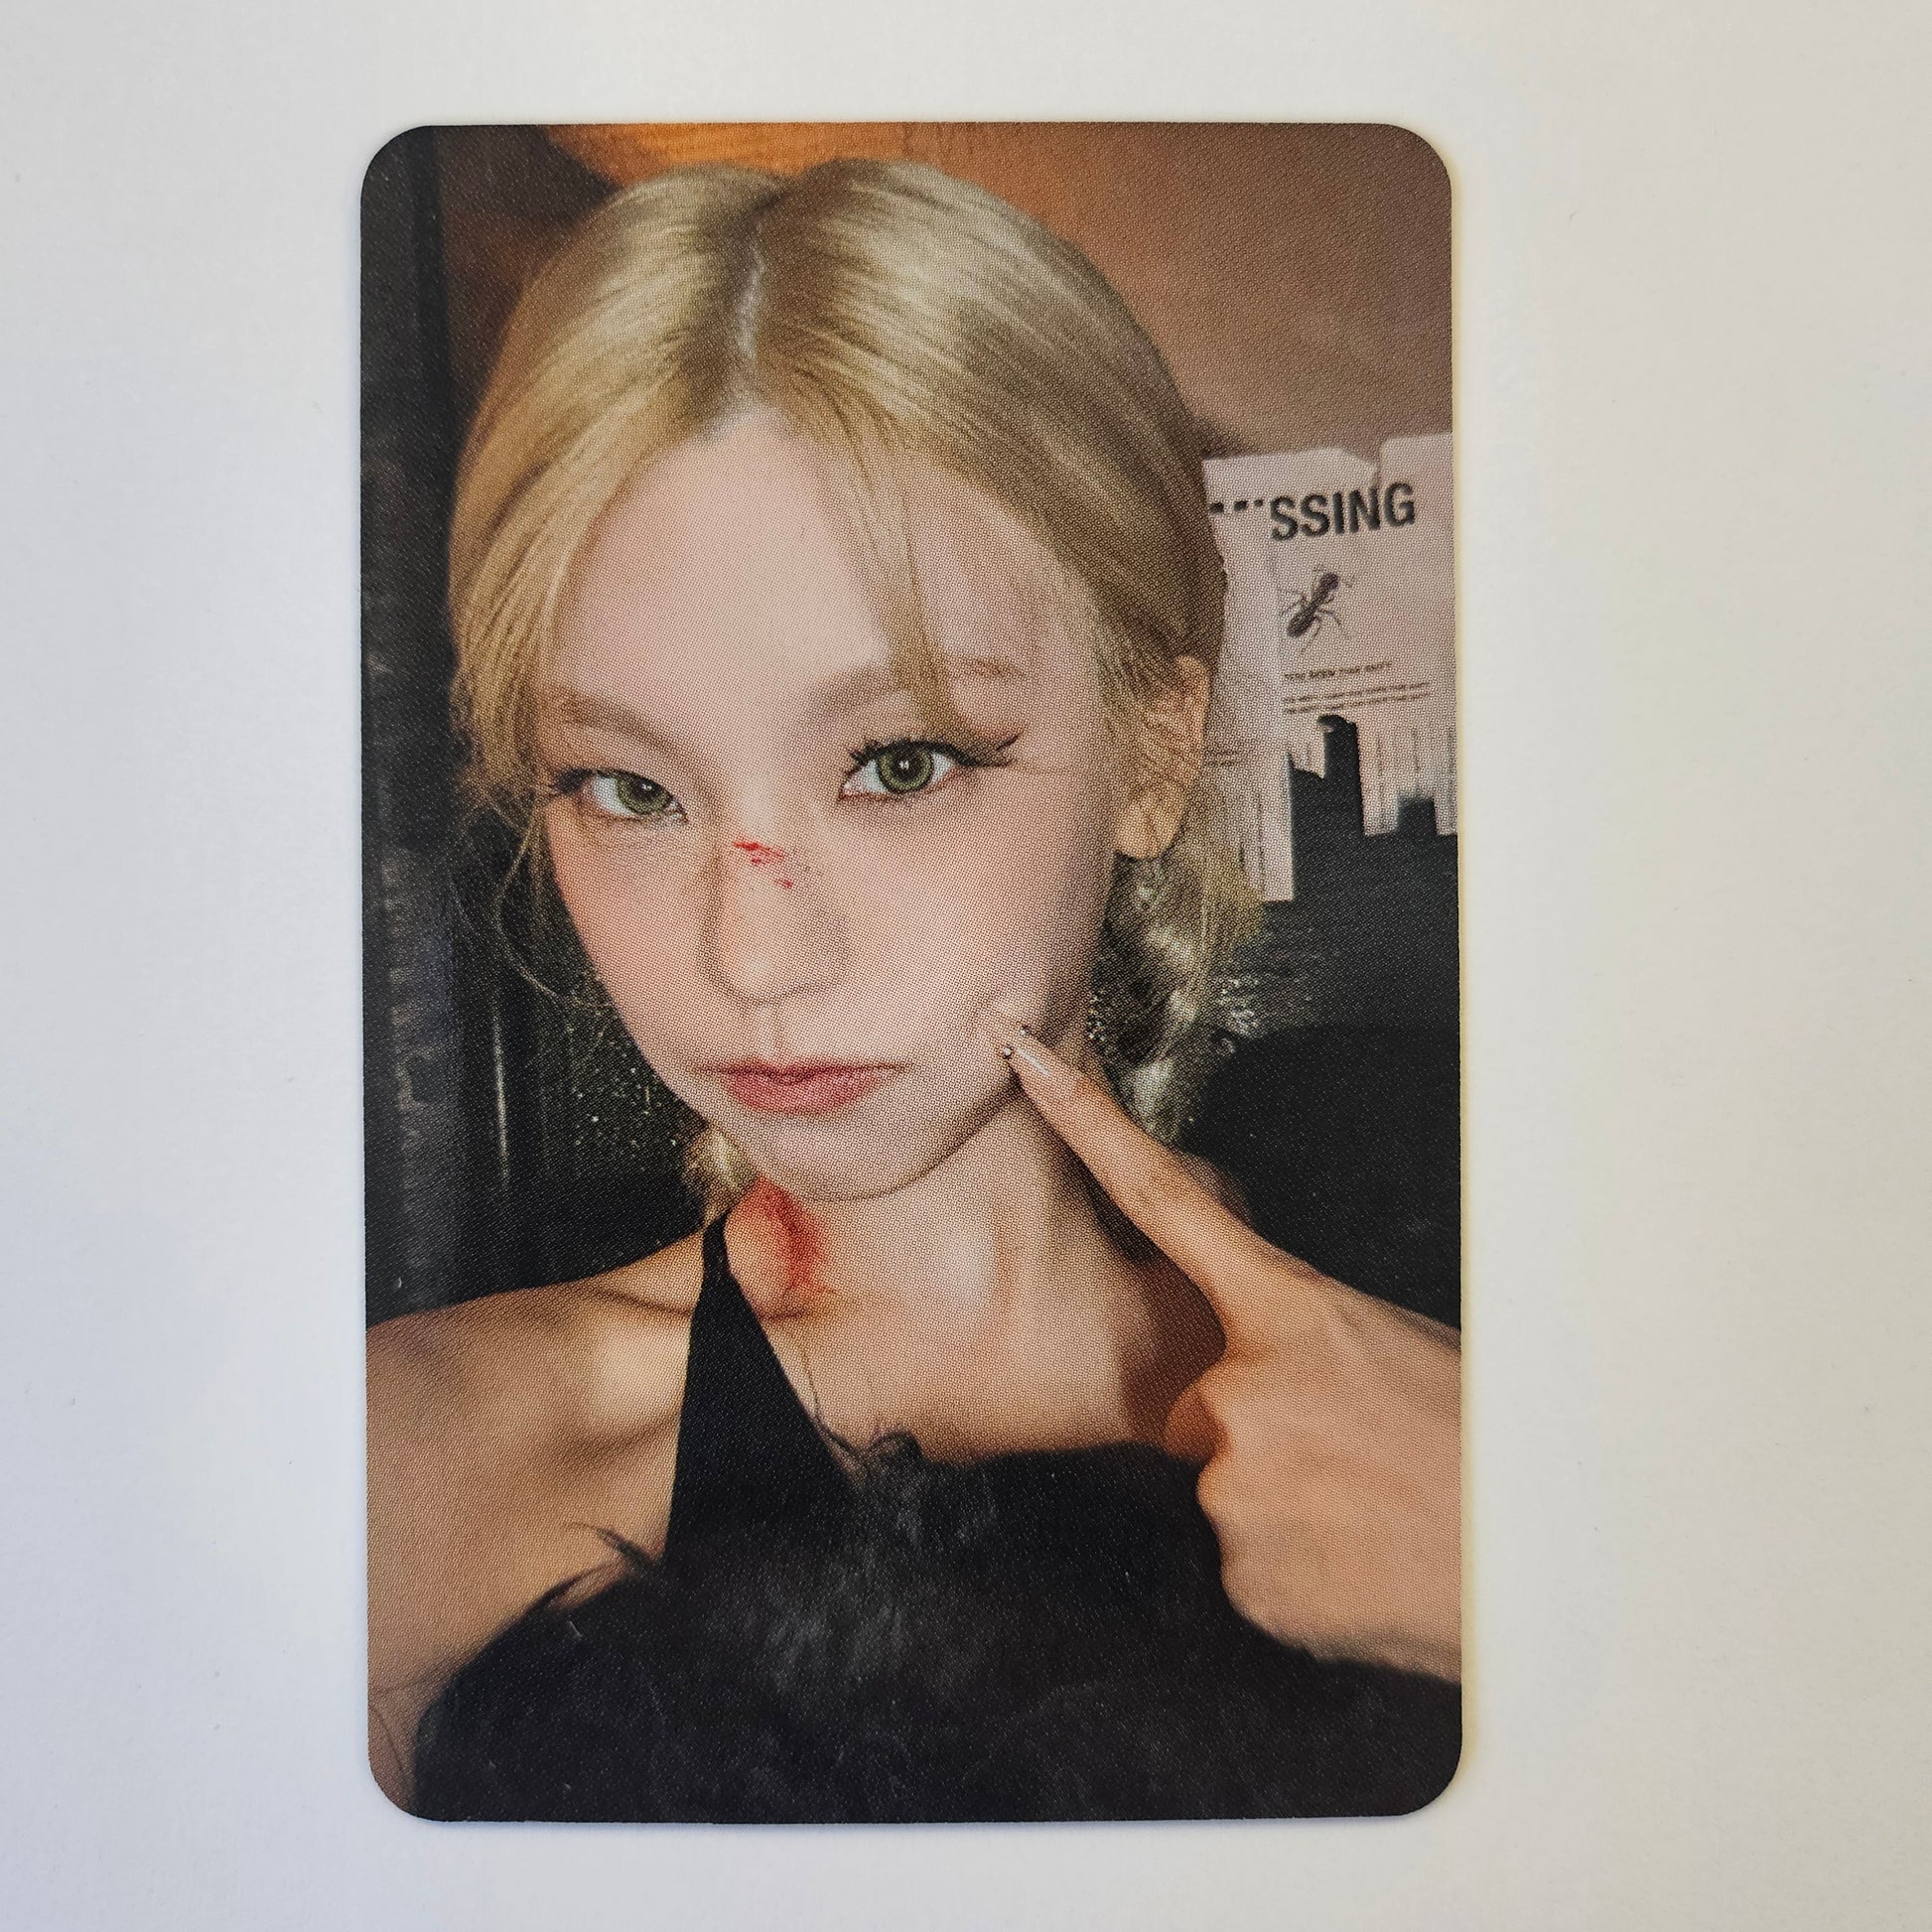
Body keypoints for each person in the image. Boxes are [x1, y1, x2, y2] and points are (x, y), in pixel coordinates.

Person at [366, 156, 1462, 1820]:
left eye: (896, 760)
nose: (751, 961)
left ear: (1154, 747)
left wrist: (1545, 1569)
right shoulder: (406, 1468)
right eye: (629, 787)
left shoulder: (1523, 1298)